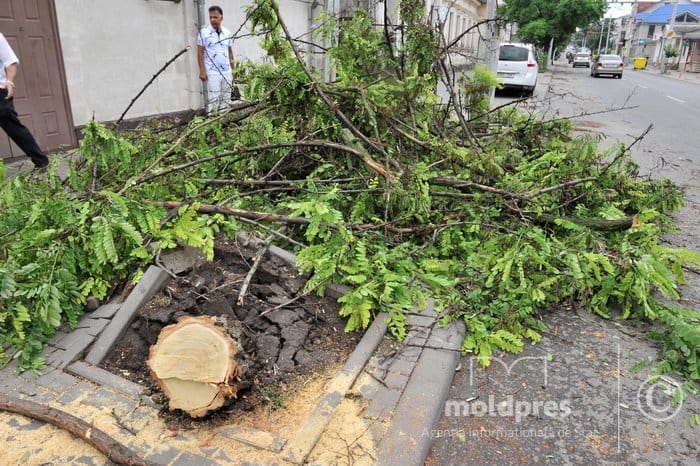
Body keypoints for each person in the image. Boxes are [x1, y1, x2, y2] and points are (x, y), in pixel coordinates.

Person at [0, 33, 49, 170]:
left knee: (14, 128)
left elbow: (10, 62)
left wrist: (9, 82)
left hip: (0, 93)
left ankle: (41, 162)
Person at [197, 5, 235, 114]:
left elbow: (230, 52)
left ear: (221, 18)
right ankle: (212, 125)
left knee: (226, 100)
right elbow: (200, 52)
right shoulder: (204, 33)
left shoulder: (227, 33)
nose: (212, 20)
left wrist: (234, 69)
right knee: (214, 99)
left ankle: (223, 124)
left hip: (227, 71)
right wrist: (202, 70)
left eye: (215, 17)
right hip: (212, 71)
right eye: (210, 17)